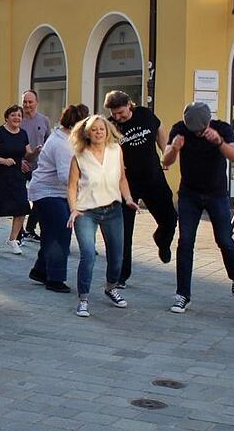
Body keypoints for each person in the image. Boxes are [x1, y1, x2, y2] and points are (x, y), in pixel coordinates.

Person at [162, 102, 234, 313]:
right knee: (185, 242)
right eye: (194, 130)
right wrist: (175, 148)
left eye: (200, 130)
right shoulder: (180, 129)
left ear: (208, 122)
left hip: (216, 194)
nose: (197, 133)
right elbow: (166, 160)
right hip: (189, 194)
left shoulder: (222, 128)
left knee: (224, 239)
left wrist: (219, 142)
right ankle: (182, 295)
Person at [67, 115, 138, 318]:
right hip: (86, 211)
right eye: (94, 130)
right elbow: (71, 186)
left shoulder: (116, 151)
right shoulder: (79, 156)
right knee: (88, 254)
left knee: (117, 255)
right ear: (87, 133)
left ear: (107, 132)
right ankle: (83, 299)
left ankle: (111, 287)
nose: (98, 132)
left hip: (113, 209)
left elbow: (122, 178)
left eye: (102, 129)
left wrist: (128, 198)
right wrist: (73, 209)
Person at [105, 90, 177, 287]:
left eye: (121, 112)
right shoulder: (110, 125)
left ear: (130, 104)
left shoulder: (145, 114)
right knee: (124, 230)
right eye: (114, 113)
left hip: (153, 177)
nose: (118, 117)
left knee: (170, 218)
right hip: (127, 182)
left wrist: (165, 152)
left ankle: (162, 240)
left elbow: (160, 130)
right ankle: (121, 275)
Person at [27, 104, 89, 293]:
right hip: (48, 192)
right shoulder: (63, 144)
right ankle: (55, 278)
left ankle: (40, 270)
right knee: (61, 232)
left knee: (51, 233)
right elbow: (65, 176)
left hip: (53, 192)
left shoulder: (64, 138)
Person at [0, 105, 38, 255]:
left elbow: (27, 155)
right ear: (7, 117)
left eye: (19, 116)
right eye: (13, 115)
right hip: (1, 176)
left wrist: (35, 153)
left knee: (22, 208)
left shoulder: (23, 134)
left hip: (17, 176)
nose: (17, 118)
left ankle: (13, 239)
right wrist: (3, 160)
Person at [20, 90, 51, 243]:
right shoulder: (17, 119)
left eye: (30, 102)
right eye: (25, 102)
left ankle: (31, 228)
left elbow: (49, 142)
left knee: (40, 198)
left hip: (39, 166)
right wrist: (20, 160)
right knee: (19, 200)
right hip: (21, 165)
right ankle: (18, 232)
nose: (27, 105)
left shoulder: (44, 120)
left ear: (36, 103)